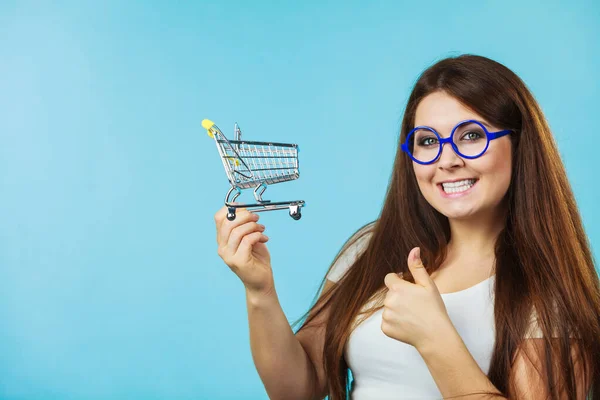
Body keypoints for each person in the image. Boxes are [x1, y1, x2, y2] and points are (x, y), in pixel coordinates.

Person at [213, 54, 600, 399]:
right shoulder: (370, 248)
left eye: (471, 136)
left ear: (519, 144)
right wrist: (259, 290)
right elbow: (299, 390)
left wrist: (435, 338)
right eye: (427, 141)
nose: (446, 160)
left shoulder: (547, 288)